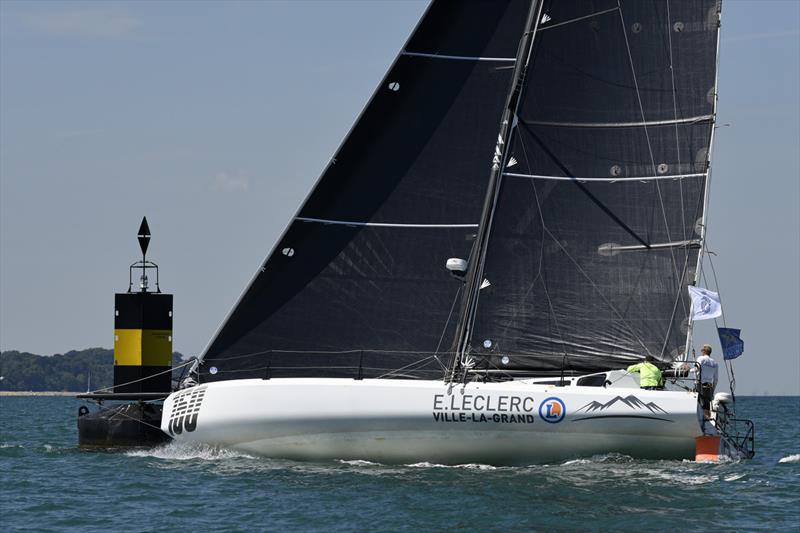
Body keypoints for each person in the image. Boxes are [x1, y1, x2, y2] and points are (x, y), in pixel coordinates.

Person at [697, 344, 719, 420]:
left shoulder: (701, 359)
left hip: (701, 384)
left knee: (700, 402)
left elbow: (696, 369)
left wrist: (688, 370)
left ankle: (701, 418)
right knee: (707, 404)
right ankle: (708, 418)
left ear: (704, 351)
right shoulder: (715, 363)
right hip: (709, 386)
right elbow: (716, 379)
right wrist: (713, 390)